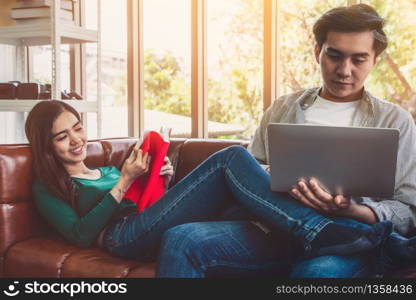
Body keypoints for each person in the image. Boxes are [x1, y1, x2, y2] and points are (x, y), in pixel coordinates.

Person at [156, 4, 416, 278]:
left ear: (375, 60)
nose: (344, 70)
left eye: (358, 59)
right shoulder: (283, 108)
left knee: (317, 273)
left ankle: (328, 234)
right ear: (318, 52)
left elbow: (408, 210)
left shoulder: (394, 121)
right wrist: (280, 180)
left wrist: (355, 209)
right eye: (334, 56)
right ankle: (313, 230)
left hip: (347, 242)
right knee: (182, 239)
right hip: (272, 232)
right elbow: (246, 175)